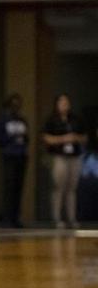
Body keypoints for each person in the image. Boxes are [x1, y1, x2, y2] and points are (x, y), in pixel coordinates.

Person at [43, 93, 85, 229]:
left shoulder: (75, 119)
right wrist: (63, 139)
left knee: (72, 188)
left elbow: (84, 137)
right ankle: (57, 218)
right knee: (58, 187)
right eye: (61, 102)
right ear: (56, 104)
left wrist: (75, 138)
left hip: (74, 156)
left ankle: (72, 218)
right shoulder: (51, 120)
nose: (64, 104)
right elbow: (46, 138)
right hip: (59, 156)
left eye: (66, 102)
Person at [0, 93, 29, 228]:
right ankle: (7, 218)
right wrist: (11, 139)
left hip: (21, 156)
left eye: (18, 104)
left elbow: (27, 137)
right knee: (9, 187)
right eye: (13, 104)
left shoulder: (22, 120)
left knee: (19, 188)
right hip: (9, 155)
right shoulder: (3, 120)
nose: (16, 107)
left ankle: (16, 218)